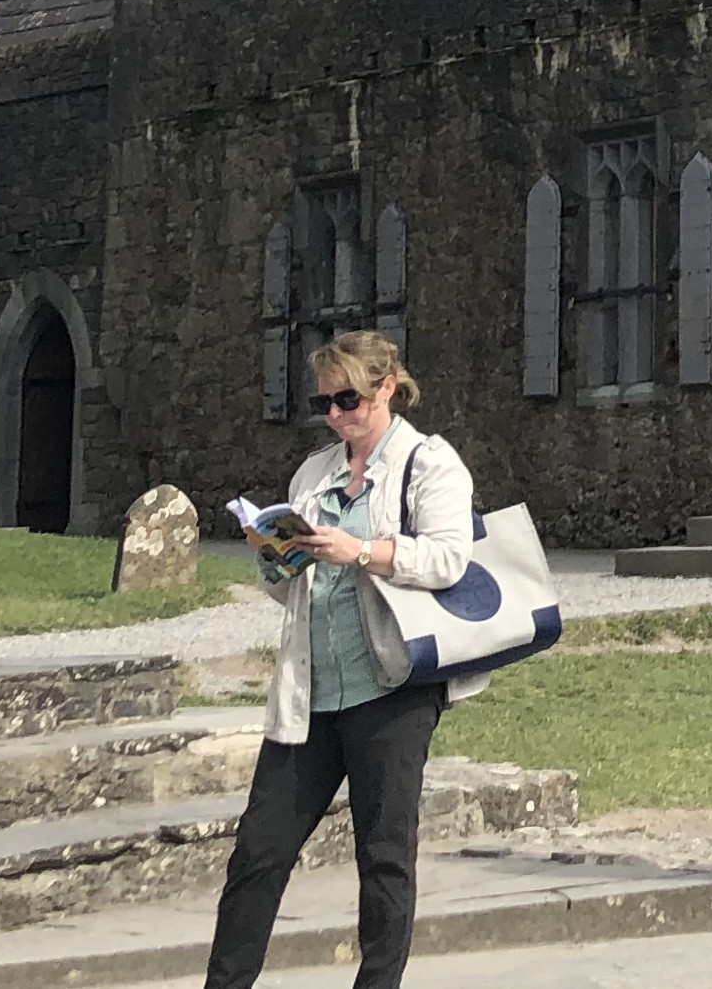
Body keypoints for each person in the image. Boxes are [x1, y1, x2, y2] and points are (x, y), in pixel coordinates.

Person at [202, 329, 485, 989]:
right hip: (310, 693)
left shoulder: (429, 463)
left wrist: (359, 551)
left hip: (391, 688)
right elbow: (283, 590)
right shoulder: (313, 474)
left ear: (386, 388)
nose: (335, 414)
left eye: (348, 398)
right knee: (257, 854)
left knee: (383, 856)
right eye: (323, 402)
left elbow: (448, 558)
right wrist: (274, 553)